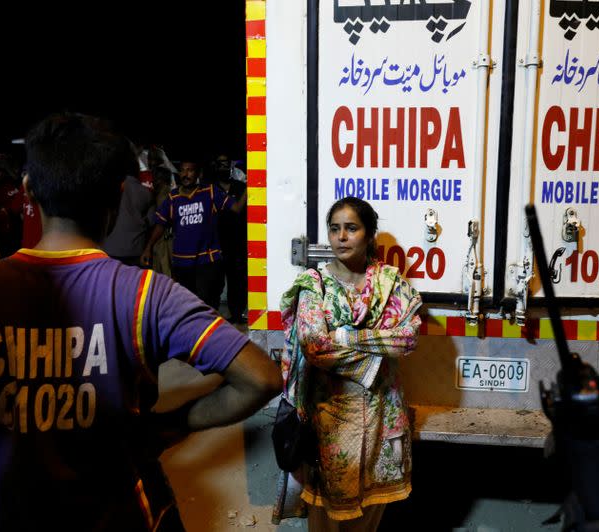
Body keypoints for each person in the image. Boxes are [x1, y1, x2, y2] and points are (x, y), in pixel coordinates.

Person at [0, 112, 283, 531]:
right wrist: (171, 425)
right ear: (116, 197)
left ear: (27, 188)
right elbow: (262, 378)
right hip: (121, 512)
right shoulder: (148, 295)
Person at [276, 197, 422, 530]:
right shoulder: (315, 286)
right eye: (335, 229)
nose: (342, 236)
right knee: (326, 513)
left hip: (383, 414)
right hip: (330, 418)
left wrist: (344, 337)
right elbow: (314, 344)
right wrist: (374, 354)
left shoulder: (390, 284)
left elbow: (409, 337)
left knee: (372, 509)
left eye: (351, 228)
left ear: (369, 235)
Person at [140, 158, 247, 311]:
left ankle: (210, 333)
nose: (186, 174)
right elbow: (161, 224)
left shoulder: (209, 192)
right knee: (187, 305)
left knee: (207, 304)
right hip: (182, 263)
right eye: (183, 170)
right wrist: (148, 247)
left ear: (198, 173)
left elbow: (236, 208)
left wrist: (251, 187)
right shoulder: (173, 198)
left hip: (207, 261)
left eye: (190, 170)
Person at [214, 154, 248, 324]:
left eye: (226, 164)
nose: (223, 167)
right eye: (220, 164)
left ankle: (237, 313)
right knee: (217, 281)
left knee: (237, 279)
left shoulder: (240, 186)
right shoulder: (211, 189)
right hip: (216, 241)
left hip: (238, 241)